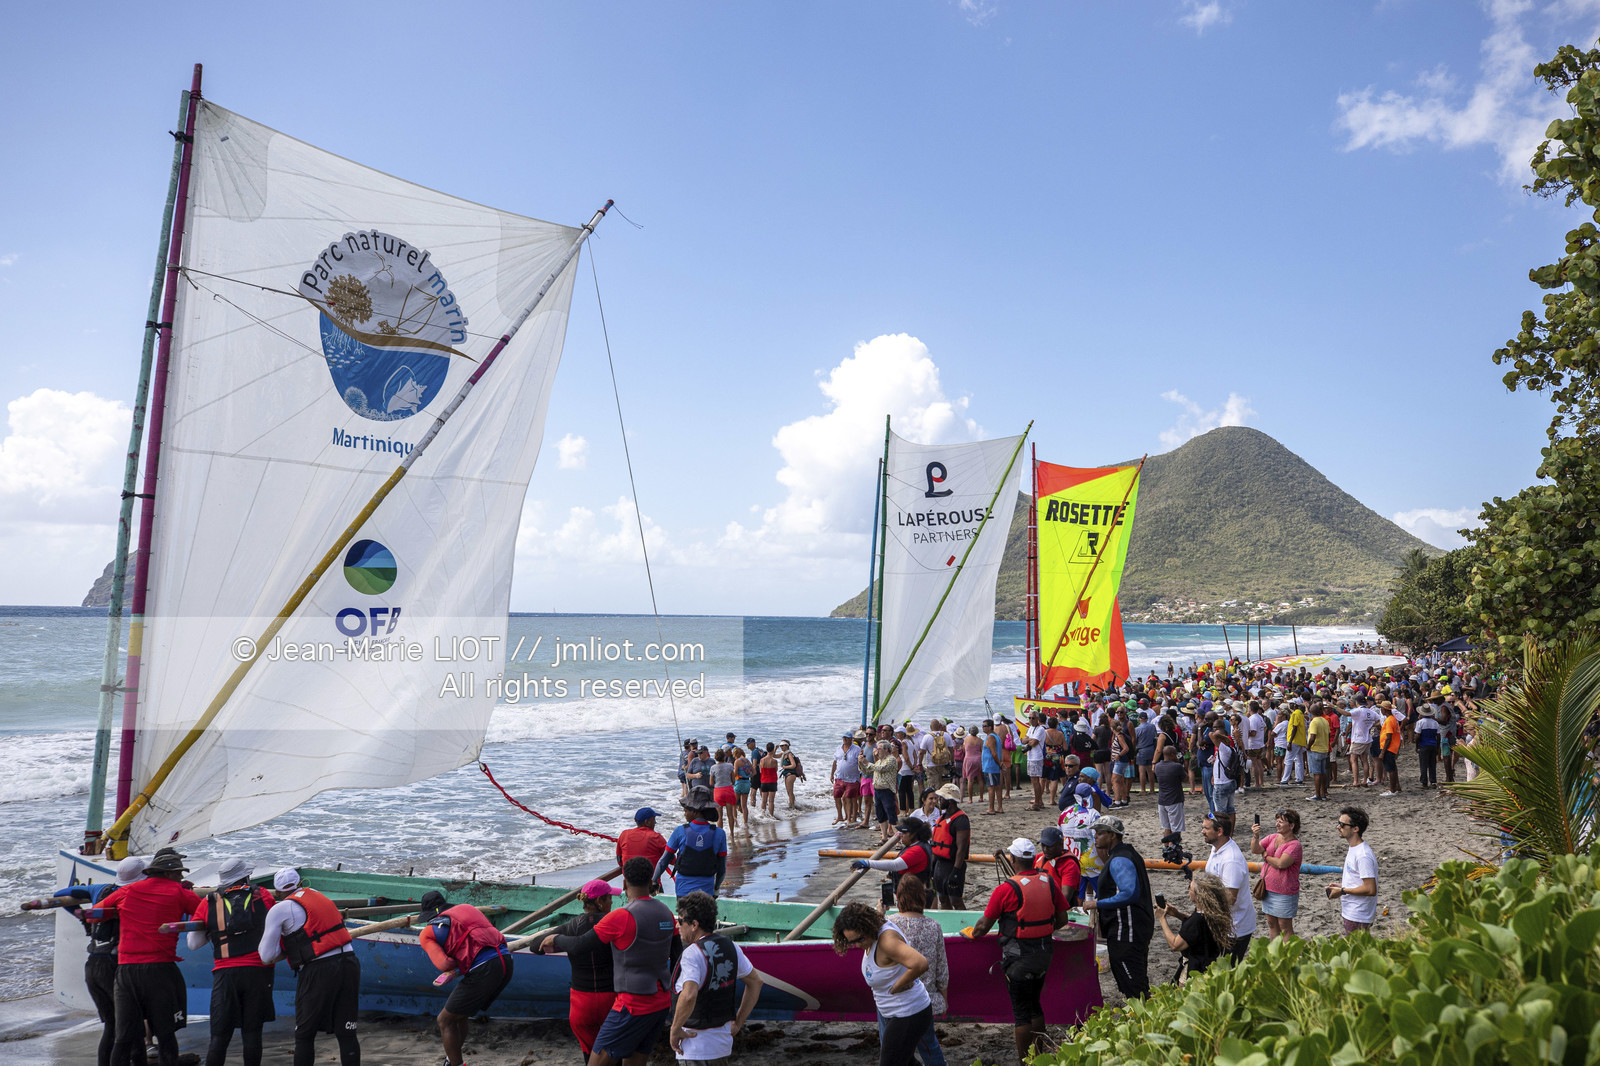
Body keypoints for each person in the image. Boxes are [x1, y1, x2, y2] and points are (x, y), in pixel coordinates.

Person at [543, 858, 680, 1066]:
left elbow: (580, 945)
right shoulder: (667, 913)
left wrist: (556, 939)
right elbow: (678, 956)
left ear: (624, 883)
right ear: (652, 881)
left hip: (632, 1005)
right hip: (660, 1004)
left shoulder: (621, 917)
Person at [94, 848, 202, 1066]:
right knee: (165, 1034)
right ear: (170, 874)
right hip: (160, 971)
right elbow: (204, 913)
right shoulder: (179, 891)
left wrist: (119, 912)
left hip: (126, 973)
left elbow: (94, 915)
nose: (181, 878)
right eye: (180, 874)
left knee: (123, 1037)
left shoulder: (127, 891)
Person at [966, 838, 1071, 1063]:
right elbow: (1063, 919)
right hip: (1044, 954)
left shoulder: (1006, 889)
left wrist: (972, 935)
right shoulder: (1050, 883)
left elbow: (983, 927)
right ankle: (1039, 1056)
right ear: (1033, 859)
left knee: (1022, 1012)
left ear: (1013, 860)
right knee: (1035, 1004)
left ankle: (1025, 1060)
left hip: (1018, 960)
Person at [258, 868, 360, 1066]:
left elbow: (266, 955)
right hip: (350, 962)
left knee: (304, 1034)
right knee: (347, 1032)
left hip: (320, 969)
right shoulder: (321, 896)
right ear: (301, 883)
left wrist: (292, 949)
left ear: (277, 893)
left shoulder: (279, 909)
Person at [56, 857, 148, 1066]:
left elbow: (60, 895)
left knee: (111, 1025)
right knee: (130, 1024)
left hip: (93, 965)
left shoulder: (100, 889)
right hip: (114, 966)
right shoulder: (135, 895)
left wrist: (83, 916)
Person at [186, 857, 276, 1066]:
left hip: (225, 973)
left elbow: (193, 944)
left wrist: (214, 930)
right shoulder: (261, 895)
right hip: (258, 972)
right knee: (252, 1033)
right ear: (246, 876)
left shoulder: (209, 901)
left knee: (219, 1036)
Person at [416, 890, 513, 1066]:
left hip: (484, 969)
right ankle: (451, 1059)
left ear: (428, 916)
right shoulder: (468, 908)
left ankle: (455, 1064)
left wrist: (457, 957)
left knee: (444, 1020)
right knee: (459, 1016)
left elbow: (444, 965)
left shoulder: (427, 933)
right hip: (506, 961)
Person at [832, 902, 932, 1066]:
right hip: (894, 1013)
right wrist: (880, 910)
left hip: (908, 1013)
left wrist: (899, 984)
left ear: (868, 928)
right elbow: (877, 917)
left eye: (860, 939)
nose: (857, 945)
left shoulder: (887, 942)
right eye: (851, 942)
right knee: (906, 1062)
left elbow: (920, 963)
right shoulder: (874, 928)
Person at [670, 891, 763, 1065]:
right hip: (721, 1045)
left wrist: (675, 1030)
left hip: (695, 1047)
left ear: (694, 924)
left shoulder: (691, 954)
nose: (677, 925)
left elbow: (689, 995)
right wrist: (738, 1022)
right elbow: (756, 982)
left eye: (681, 920)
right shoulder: (732, 946)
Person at [1080, 815, 1154, 1000]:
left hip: (1127, 930)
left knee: (1133, 983)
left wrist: (1096, 903)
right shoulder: (1122, 854)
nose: (1095, 836)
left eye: (1100, 833)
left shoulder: (1120, 859)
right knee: (1134, 978)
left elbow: (1129, 893)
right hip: (1131, 928)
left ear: (1113, 835)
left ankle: (1143, 1017)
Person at [552, 880, 622, 1061]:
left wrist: (556, 939)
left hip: (581, 1003)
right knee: (613, 1054)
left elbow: (536, 946)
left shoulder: (569, 926)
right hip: (611, 1000)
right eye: (609, 899)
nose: (612, 902)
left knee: (589, 1056)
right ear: (600, 901)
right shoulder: (614, 923)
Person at [886, 876, 949, 1066]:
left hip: (894, 998)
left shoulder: (888, 924)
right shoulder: (933, 926)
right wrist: (944, 999)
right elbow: (941, 969)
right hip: (924, 999)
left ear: (899, 897)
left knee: (890, 1048)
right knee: (929, 1045)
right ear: (922, 897)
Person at [1154, 871, 1234, 985]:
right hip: (1209, 963)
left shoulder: (1196, 921)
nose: (1188, 890)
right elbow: (1199, 927)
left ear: (1199, 895)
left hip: (1194, 967)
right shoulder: (1213, 912)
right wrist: (1178, 914)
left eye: (1190, 888)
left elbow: (1174, 945)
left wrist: (1162, 918)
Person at [1200, 813, 1255, 961]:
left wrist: (1203, 899)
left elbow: (1230, 898)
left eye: (1206, 828)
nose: (1202, 831)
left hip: (1235, 927)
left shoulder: (1231, 859)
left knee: (1228, 972)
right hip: (1222, 922)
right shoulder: (1217, 847)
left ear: (1219, 832)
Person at [853, 816, 935, 909]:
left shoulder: (917, 850)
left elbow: (894, 865)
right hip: (909, 894)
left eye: (904, 832)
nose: (901, 835)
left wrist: (867, 863)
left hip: (914, 896)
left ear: (914, 835)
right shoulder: (915, 845)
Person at [1249, 809, 1303, 940]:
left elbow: (1281, 863)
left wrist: (1266, 856)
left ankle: (1290, 957)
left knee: (1285, 926)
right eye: (1277, 821)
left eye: (1281, 822)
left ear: (1291, 826)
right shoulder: (1273, 837)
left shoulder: (1295, 845)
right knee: (1271, 923)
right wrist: (1255, 836)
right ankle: (1275, 955)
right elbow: (1255, 849)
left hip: (1284, 891)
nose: (1277, 824)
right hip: (1268, 889)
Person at [654, 804, 728, 898]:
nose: (685, 814)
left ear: (694, 812)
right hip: (706, 892)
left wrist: (654, 880)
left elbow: (663, 861)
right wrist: (716, 888)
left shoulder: (680, 831)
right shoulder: (720, 833)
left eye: (686, 811)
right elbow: (722, 869)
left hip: (683, 891)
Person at [1328, 806, 1379, 933]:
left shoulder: (1363, 855)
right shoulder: (1355, 848)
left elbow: (1370, 889)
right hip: (1353, 912)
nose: (1338, 827)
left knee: (1356, 950)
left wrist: (1342, 890)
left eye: (1342, 824)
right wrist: (1341, 886)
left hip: (1358, 914)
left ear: (1355, 829)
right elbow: (1360, 882)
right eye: (1338, 823)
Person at [927, 784, 971, 910]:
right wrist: (932, 867)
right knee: (943, 899)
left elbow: (961, 848)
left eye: (942, 798)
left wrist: (956, 872)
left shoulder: (961, 819)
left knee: (956, 900)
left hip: (953, 865)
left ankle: (964, 926)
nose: (939, 800)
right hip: (940, 865)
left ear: (950, 800)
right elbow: (936, 845)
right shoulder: (943, 817)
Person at [863, 741, 903, 841]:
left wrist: (867, 763)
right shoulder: (879, 761)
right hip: (878, 791)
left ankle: (897, 840)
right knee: (881, 815)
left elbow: (881, 769)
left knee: (891, 815)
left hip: (887, 791)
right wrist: (861, 763)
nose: (877, 751)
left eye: (879, 749)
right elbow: (867, 771)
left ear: (886, 749)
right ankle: (884, 837)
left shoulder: (891, 759)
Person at [1036, 825, 1081, 908]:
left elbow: (1066, 896)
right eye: (1043, 845)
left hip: (1061, 909)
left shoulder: (1069, 865)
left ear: (1060, 845)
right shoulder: (1039, 857)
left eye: (1049, 846)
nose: (1045, 849)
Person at [1153, 747, 1186, 850]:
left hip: (1162, 800)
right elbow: (1186, 779)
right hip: (1174, 800)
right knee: (1176, 828)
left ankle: (1166, 848)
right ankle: (1174, 848)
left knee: (1167, 827)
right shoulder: (1177, 767)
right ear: (1172, 754)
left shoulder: (1157, 766)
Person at [832, 733, 863, 825]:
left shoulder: (857, 749)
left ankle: (849, 818)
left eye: (847, 738)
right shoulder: (838, 749)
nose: (845, 739)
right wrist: (831, 774)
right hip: (839, 777)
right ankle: (840, 816)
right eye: (844, 737)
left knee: (849, 798)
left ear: (851, 739)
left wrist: (862, 776)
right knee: (836, 797)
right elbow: (835, 762)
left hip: (852, 779)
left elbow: (861, 763)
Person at [1306, 705, 1332, 802]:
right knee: (1322, 772)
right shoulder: (1324, 721)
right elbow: (1328, 735)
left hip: (1315, 749)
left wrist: (1308, 747)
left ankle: (1317, 794)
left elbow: (1313, 736)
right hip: (1324, 749)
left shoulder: (1314, 722)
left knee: (1316, 773)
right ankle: (1323, 793)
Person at [980, 720, 1006, 815]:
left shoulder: (991, 737)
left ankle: (991, 808)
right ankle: (999, 807)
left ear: (990, 727)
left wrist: (999, 763)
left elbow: (994, 753)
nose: (983, 727)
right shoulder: (996, 736)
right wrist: (1000, 763)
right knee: (997, 787)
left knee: (991, 788)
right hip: (993, 765)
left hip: (990, 765)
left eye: (984, 726)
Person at [709, 749, 739, 828]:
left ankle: (721, 834)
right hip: (728, 790)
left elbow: (711, 783)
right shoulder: (730, 766)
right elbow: (733, 781)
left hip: (718, 791)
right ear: (724, 757)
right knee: (730, 815)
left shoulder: (713, 768)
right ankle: (732, 834)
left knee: (719, 816)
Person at [1379, 704, 1404, 797]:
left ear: (1384, 709)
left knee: (1391, 769)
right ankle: (1396, 787)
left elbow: (1388, 737)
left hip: (1389, 748)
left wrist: (1382, 752)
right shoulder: (1393, 719)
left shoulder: (1389, 720)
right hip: (1393, 747)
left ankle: (1392, 790)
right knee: (1393, 768)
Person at [1415, 704, 1441, 789]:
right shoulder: (1435, 723)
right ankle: (1433, 781)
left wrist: (1417, 745)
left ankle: (1424, 782)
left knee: (1423, 764)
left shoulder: (1420, 722)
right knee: (1432, 764)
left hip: (1423, 745)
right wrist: (1437, 747)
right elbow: (1438, 736)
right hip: (1433, 744)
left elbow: (1418, 736)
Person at [779, 740, 805, 809]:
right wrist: (775, 748)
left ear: (787, 746)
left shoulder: (789, 754)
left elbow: (793, 765)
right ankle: (792, 805)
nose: (781, 747)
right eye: (780, 746)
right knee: (789, 792)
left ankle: (792, 806)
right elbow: (773, 755)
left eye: (782, 745)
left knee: (790, 792)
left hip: (791, 774)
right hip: (787, 774)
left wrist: (785, 767)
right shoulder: (783, 754)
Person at [731, 744, 754, 824]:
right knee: (744, 806)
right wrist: (747, 776)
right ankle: (745, 823)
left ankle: (735, 822)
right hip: (747, 783)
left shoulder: (737, 761)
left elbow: (735, 773)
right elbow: (754, 772)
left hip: (739, 783)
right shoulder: (748, 761)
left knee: (734, 804)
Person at [759, 742, 781, 816]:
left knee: (763, 800)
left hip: (764, 781)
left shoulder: (762, 760)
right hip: (772, 781)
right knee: (771, 801)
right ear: (772, 749)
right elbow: (776, 770)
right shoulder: (774, 761)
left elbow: (760, 770)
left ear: (766, 749)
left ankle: (762, 815)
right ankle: (771, 816)